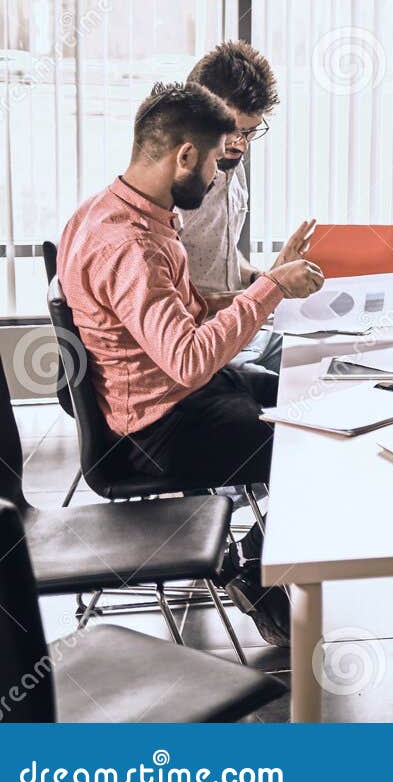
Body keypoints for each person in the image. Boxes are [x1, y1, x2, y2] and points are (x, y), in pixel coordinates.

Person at [57, 83, 326, 645]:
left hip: (172, 395)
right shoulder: (130, 245)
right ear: (184, 156)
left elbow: (188, 321)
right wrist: (272, 288)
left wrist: (265, 281)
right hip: (156, 427)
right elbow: (188, 358)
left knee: (308, 401)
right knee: (317, 447)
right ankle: (252, 569)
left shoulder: (114, 209)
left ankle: (255, 559)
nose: (216, 176)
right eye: (213, 163)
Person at [182, 41, 316, 372]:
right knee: (290, 380)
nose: (240, 145)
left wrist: (264, 276)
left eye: (250, 132)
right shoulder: (174, 189)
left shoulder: (232, 169)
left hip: (238, 328)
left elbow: (215, 256)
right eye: (232, 131)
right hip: (199, 344)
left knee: (328, 353)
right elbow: (172, 311)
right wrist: (272, 289)